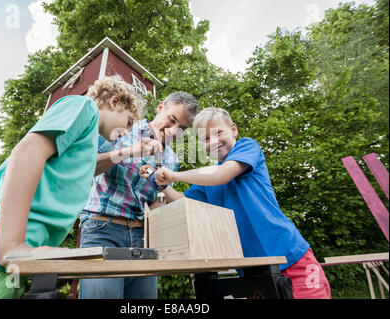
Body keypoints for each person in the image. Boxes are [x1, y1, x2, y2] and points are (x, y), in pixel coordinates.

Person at [0, 75, 145, 299]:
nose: (128, 131)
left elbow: (91, 165)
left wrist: (132, 151)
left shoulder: (86, 146)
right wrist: (12, 246)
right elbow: (28, 151)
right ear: (115, 102)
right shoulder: (84, 107)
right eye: (128, 122)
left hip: (6, 264)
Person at [140, 107, 331, 299]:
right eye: (205, 139)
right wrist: (160, 183)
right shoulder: (207, 181)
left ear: (234, 129)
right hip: (253, 272)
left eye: (218, 132)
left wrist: (172, 175)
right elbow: (184, 202)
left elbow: (223, 174)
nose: (213, 141)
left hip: (291, 257)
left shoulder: (247, 147)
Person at [78, 91, 199, 299]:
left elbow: (154, 203)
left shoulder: (170, 158)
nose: (173, 131)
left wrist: (160, 190)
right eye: (172, 120)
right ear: (160, 107)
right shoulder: (123, 126)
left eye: (182, 128)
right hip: (103, 229)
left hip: (142, 239)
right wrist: (131, 151)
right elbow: (86, 166)